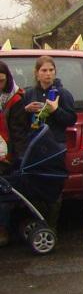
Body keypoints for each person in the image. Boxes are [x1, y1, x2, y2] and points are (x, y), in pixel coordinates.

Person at [22, 56, 77, 229]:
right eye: (44, 71)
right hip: (35, 145)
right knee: (34, 185)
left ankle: (51, 225)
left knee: (53, 185)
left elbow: (70, 119)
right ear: (37, 74)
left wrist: (55, 110)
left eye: (51, 70)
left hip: (55, 146)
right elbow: (20, 122)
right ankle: (38, 222)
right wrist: (25, 110)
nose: (48, 74)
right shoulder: (30, 93)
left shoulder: (63, 93)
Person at [0, 60, 29, 246]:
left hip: (6, 153)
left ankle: (3, 229)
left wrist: (18, 158)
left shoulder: (16, 98)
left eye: (1, 81)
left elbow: (18, 132)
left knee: (3, 195)